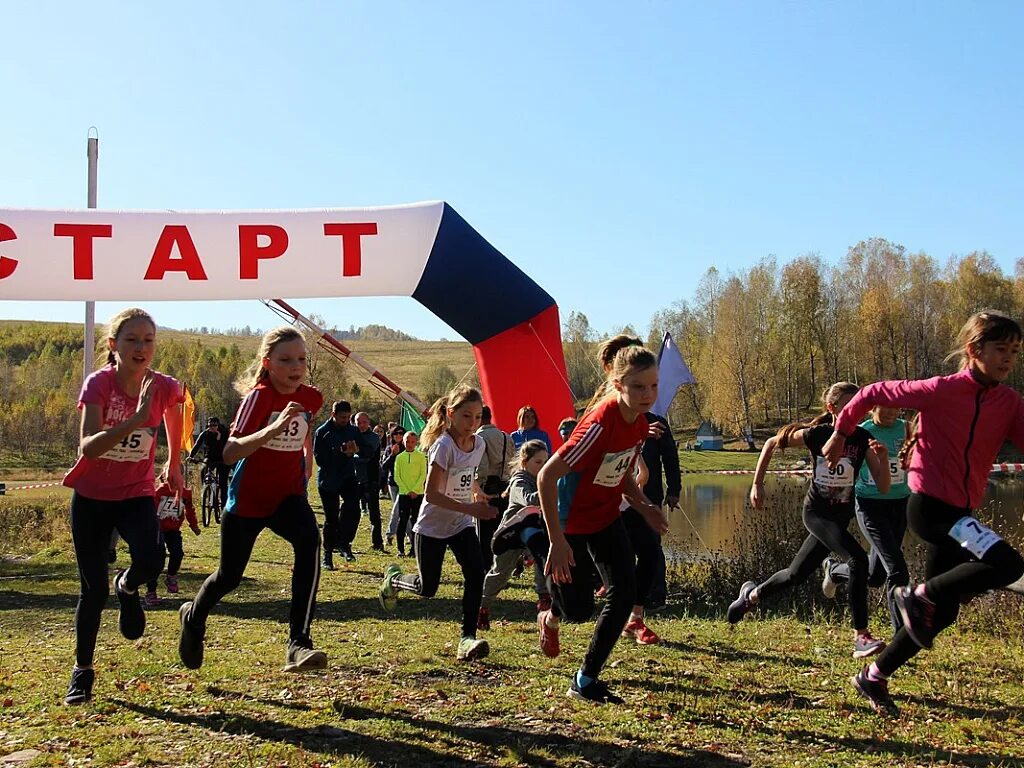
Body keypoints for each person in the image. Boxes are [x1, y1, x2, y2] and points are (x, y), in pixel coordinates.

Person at [823, 310, 1024, 716]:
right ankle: (914, 595)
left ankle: (873, 677)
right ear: (973, 350)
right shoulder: (940, 390)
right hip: (930, 508)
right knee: (1007, 564)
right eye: (1000, 349)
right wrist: (841, 433)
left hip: (961, 513)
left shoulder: (1009, 403)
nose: (1008, 359)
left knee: (939, 614)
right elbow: (872, 393)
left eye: (1015, 352)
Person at [178, 326, 327, 673]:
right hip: (247, 501)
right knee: (229, 576)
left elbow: (302, 431)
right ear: (268, 362)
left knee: (310, 542)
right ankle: (194, 617)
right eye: (286, 359)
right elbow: (229, 454)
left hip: (287, 496)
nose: (296, 366)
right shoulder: (258, 398)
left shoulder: (312, 398)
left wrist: (307, 463)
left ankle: (298, 643)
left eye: (302, 359)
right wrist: (271, 430)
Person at [62, 307, 185, 705]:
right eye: (132, 340)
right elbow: (89, 446)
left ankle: (128, 587)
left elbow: (174, 408)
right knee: (92, 591)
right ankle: (82, 671)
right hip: (93, 497)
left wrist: (174, 462)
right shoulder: (99, 384)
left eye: (148, 340)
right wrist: (135, 420)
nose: (141, 348)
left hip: (135, 492)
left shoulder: (162, 384)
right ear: (113, 346)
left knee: (151, 560)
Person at [538, 338, 669, 704]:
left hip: (606, 516)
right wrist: (557, 541)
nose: (648, 395)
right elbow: (546, 476)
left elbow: (622, 473)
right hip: (570, 523)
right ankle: (550, 616)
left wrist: (644, 506)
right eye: (638, 387)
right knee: (578, 610)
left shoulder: (640, 425)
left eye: (653, 386)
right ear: (617, 385)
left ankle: (585, 679)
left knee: (623, 594)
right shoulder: (597, 424)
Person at [729, 383, 892, 660]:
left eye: (860, 406)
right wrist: (757, 484)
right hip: (816, 514)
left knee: (796, 574)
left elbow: (884, 486)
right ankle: (861, 636)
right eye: (849, 406)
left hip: (840, 517)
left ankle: (751, 596)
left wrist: (884, 459)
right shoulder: (819, 434)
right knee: (858, 560)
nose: (856, 411)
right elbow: (770, 442)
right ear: (832, 408)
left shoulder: (862, 438)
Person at [378, 385, 497, 661]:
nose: (473, 424)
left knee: (476, 573)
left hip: (460, 524)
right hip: (431, 526)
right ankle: (394, 580)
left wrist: (478, 492)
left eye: (478, 417)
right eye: (467, 416)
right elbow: (431, 494)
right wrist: (471, 507)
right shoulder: (443, 446)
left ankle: (467, 638)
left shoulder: (478, 444)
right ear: (451, 414)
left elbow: (466, 475)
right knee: (427, 588)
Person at [821, 406, 912, 633]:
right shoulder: (861, 432)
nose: (893, 414)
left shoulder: (907, 429)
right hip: (870, 506)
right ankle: (901, 635)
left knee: (874, 577)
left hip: (900, 505)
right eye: (887, 410)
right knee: (897, 570)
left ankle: (834, 571)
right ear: (872, 408)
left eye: (897, 409)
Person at [481, 439, 550, 631]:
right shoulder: (520, 480)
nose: (543, 466)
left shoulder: (542, 478)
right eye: (538, 462)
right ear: (525, 462)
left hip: (532, 532)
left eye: (546, 462)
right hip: (510, 534)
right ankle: (482, 607)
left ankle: (544, 597)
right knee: (500, 574)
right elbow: (530, 500)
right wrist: (554, 487)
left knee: (542, 553)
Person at [636, 410, 680, 612]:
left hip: (650, 494)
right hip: (618, 495)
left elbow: (670, 458)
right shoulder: (615, 420)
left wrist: (674, 490)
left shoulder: (658, 423)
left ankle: (656, 596)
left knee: (652, 545)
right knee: (622, 546)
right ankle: (626, 595)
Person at [313, 401, 360, 568]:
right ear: (333, 415)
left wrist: (357, 450)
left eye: (348, 417)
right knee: (331, 519)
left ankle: (344, 543)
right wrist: (340, 451)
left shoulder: (353, 430)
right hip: (328, 480)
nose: (345, 420)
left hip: (347, 476)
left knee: (354, 508)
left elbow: (367, 446)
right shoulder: (322, 432)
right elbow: (320, 460)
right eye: (342, 417)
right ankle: (327, 555)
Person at [145, 474, 201, 605]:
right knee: (157, 558)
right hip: (157, 530)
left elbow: (189, 510)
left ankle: (171, 576)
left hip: (173, 530)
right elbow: (150, 509)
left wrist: (194, 526)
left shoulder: (185, 493)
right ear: (165, 477)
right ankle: (151, 591)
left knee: (177, 553)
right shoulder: (159, 491)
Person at [476, 405, 515, 568]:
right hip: (505, 485)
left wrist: (477, 487)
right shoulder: (506, 436)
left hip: (487, 487)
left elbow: (482, 465)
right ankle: (506, 564)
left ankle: (486, 565)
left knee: (484, 532)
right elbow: (513, 459)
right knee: (502, 527)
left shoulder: (479, 437)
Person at [354, 411, 385, 551]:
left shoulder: (374, 437)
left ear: (369, 423)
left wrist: (353, 454)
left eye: (364, 422)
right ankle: (343, 540)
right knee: (350, 511)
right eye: (358, 422)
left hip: (371, 478)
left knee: (374, 513)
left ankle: (377, 543)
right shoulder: (352, 434)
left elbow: (367, 455)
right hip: (354, 478)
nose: (361, 425)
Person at [393, 430, 427, 556]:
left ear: (416, 442)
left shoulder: (421, 457)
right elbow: (397, 476)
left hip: (418, 494)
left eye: (413, 442)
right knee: (403, 520)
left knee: (416, 521)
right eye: (407, 441)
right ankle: (400, 549)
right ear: (403, 441)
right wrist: (407, 490)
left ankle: (414, 548)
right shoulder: (399, 457)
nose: (410, 444)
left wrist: (415, 489)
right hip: (404, 494)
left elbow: (423, 475)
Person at [188, 417, 230, 511]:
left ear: (218, 425)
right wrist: (191, 456)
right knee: (203, 470)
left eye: (214, 425)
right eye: (210, 425)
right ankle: (207, 488)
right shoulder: (205, 433)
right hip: (210, 457)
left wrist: (219, 439)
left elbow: (227, 446)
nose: (212, 427)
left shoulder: (224, 433)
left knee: (223, 483)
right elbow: (197, 445)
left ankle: (224, 507)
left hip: (223, 458)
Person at [381, 425, 407, 547]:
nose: (399, 436)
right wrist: (392, 455)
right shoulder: (389, 448)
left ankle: (390, 534)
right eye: (396, 434)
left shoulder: (408, 448)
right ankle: (409, 535)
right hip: (393, 483)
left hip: (406, 484)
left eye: (401, 434)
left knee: (398, 509)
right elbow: (384, 466)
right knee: (400, 510)